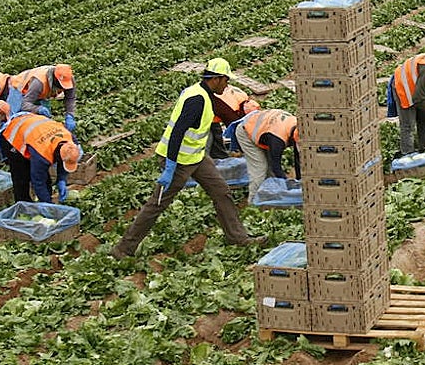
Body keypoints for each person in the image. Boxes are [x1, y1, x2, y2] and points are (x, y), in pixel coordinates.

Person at [111, 58, 264, 258]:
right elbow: (177, 133)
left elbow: (226, 117)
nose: (227, 85)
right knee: (156, 204)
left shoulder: (207, 95)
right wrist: (170, 166)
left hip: (197, 158)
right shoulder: (197, 99)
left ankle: (237, 237)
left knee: (221, 191)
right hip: (178, 161)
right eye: (226, 80)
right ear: (216, 79)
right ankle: (123, 249)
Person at [0, 112, 82, 203]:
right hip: (13, 136)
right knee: (22, 175)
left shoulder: (71, 140)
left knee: (43, 177)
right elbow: (38, 182)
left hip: (34, 128)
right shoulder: (42, 154)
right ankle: (23, 203)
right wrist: (48, 205)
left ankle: (45, 198)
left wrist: (61, 179)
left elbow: (65, 160)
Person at [234, 109, 300, 202]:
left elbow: (298, 160)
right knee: (260, 170)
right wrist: (289, 185)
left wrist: (299, 182)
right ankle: (253, 203)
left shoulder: (299, 126)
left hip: (265, 130)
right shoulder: (278, 140)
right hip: (247, 132)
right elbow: (276, 167)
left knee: (270, 171)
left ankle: (270, 197)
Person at [9, 64, 77, 131]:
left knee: (45, 121)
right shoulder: (39, 82)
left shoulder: (69, 80)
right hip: (19, 89)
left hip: (41, 94)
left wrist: (70, 115)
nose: (62, 88)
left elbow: (70, 98)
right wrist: (38, 109)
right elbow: (24, 104)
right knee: (13, 118)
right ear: (55, 79)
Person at [209, 82, 259, 159]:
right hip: (208, 114)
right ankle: (218, 158)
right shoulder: (231, 110)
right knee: (214, 138)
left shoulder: (242, 96)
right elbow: (235, 130)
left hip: (214, 95)